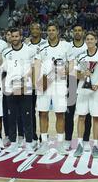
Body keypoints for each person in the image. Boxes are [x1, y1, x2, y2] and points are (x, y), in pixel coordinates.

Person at [35, 23, 74, 155]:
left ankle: (60, 144)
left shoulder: (66, 46)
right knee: (43, 113)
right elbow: (37, 65)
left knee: (60, 114)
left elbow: (72, 64)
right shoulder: (41, 46)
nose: (51, 32)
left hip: (60, 84)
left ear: (58, 31)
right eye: (49, 30)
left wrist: (66, 71)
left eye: (53, 30)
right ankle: (44, 144)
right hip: (45, 82)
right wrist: (38, 83)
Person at [74, 32, 98, 158]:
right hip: (83, 91)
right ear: (85, 41)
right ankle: (80, 144)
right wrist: (83, 75)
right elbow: (76, 74)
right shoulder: (81, 56)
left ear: (96, 40)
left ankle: (95, 145)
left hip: (97, 91)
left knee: (96, 118)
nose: (89, 41)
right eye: (87, 39)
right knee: (81, 117)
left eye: (92, 39)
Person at [2, 28, 36, 153]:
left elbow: (33, 68)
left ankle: (29, 143)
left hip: (25, 88)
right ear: (10, 37)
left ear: (21, 37)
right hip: (11, 89)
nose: (15, 39)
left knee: (27, 117)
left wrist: (24, 81)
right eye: (13, 36)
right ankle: (14, 143)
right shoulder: (5, 52)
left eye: (17, 36)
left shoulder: (29, 51)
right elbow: (3, 70)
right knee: (12, 117)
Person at [65, 24, 92, 151]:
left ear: (83, 32)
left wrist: (81, 74)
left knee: (86, 113)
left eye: (79, 30)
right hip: (71, 82)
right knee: (69, 113)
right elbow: (66, 67)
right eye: (75, 30)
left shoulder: (88, 46)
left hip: (85, 81)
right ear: (72, 33)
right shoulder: (68, 47)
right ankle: (68, 140)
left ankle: (86, 140)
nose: (77, 32)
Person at [25, 22, 47, 144]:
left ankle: (44, 135)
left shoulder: (45, 44)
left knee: (43, 111)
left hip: (43, 81)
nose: (34, 30)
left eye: (37, 28)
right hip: (30, 83)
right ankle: (33, 135)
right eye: (32, 28)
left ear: (40, 30)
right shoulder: (26, 45)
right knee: (31, 111)